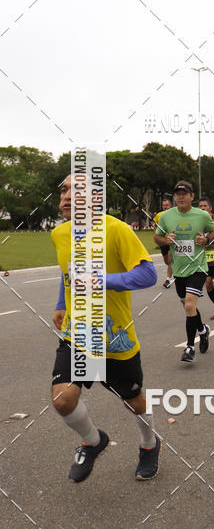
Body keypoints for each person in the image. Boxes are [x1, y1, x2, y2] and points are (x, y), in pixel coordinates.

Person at [51, 174, 160, 483]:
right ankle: (92, 440)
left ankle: (150, 444)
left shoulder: (117, 230)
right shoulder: (60, 234)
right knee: (62, 399)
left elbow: (148, 274)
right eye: (64, 190)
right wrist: (62, 303)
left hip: (115, 338)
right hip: (78, 334)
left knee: (133, 401)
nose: (67, 196)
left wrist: (101, 280)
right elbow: (67, 272)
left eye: (78, 190)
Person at [154, 181, 214, 362]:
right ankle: (203, 330)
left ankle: (190, 347)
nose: (181, 196)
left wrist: (206, 240)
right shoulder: (166, 216)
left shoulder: (201, 215)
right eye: (178, 194)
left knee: (190, 305)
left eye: (185, 193)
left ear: (192, 196)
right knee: (189, 307)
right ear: (175, 197)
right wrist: (166, 240)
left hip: (198, 267)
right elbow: (157, 237)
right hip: (179, 269)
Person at [153, 198, 173, 288]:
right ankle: (173, 268)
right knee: (166, 261)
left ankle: (168, 279)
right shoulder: (158, 215)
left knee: (170, 260)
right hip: (163, 241)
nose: (165, 207)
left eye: (167, 205)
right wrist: (157, 238)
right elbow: (155, 228)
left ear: (171, 206)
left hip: (172, 241)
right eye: (164, 205)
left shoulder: (175, 214)